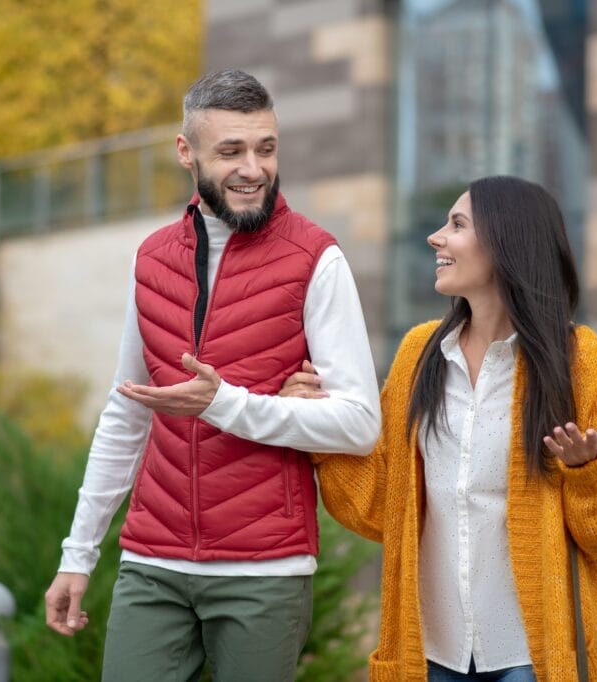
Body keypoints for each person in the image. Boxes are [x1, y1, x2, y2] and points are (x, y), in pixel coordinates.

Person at [43, 69, 381, 682]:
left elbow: (359, 424)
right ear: (186, 152)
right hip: (153, 561)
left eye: (266, 148)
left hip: (265, 568)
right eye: (231, 151)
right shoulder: (151, 258)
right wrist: (78, 554)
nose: (253, 168)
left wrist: (225, 403)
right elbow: (128, 411)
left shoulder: (316, 258)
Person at [280, 176, 597, 681]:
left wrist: (590, 472)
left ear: (506, 242)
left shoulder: (581, 362)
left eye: (457, 225)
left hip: (530, 659)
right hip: (429, 656)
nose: (436, 237)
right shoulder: (419, 354)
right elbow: (381, 508)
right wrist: (321, 428)